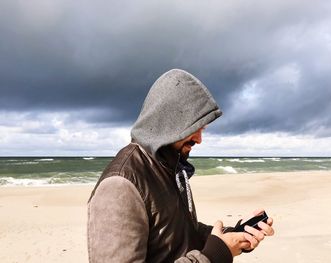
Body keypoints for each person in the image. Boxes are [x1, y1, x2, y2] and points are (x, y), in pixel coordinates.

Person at [87, 69, 274, 263]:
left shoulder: (169, 167)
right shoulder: (120, 185)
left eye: (202, 129)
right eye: (194, 128)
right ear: (170, 121)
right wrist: (215, 254)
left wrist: (233, 236)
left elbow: (182, 234)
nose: (199, 139)